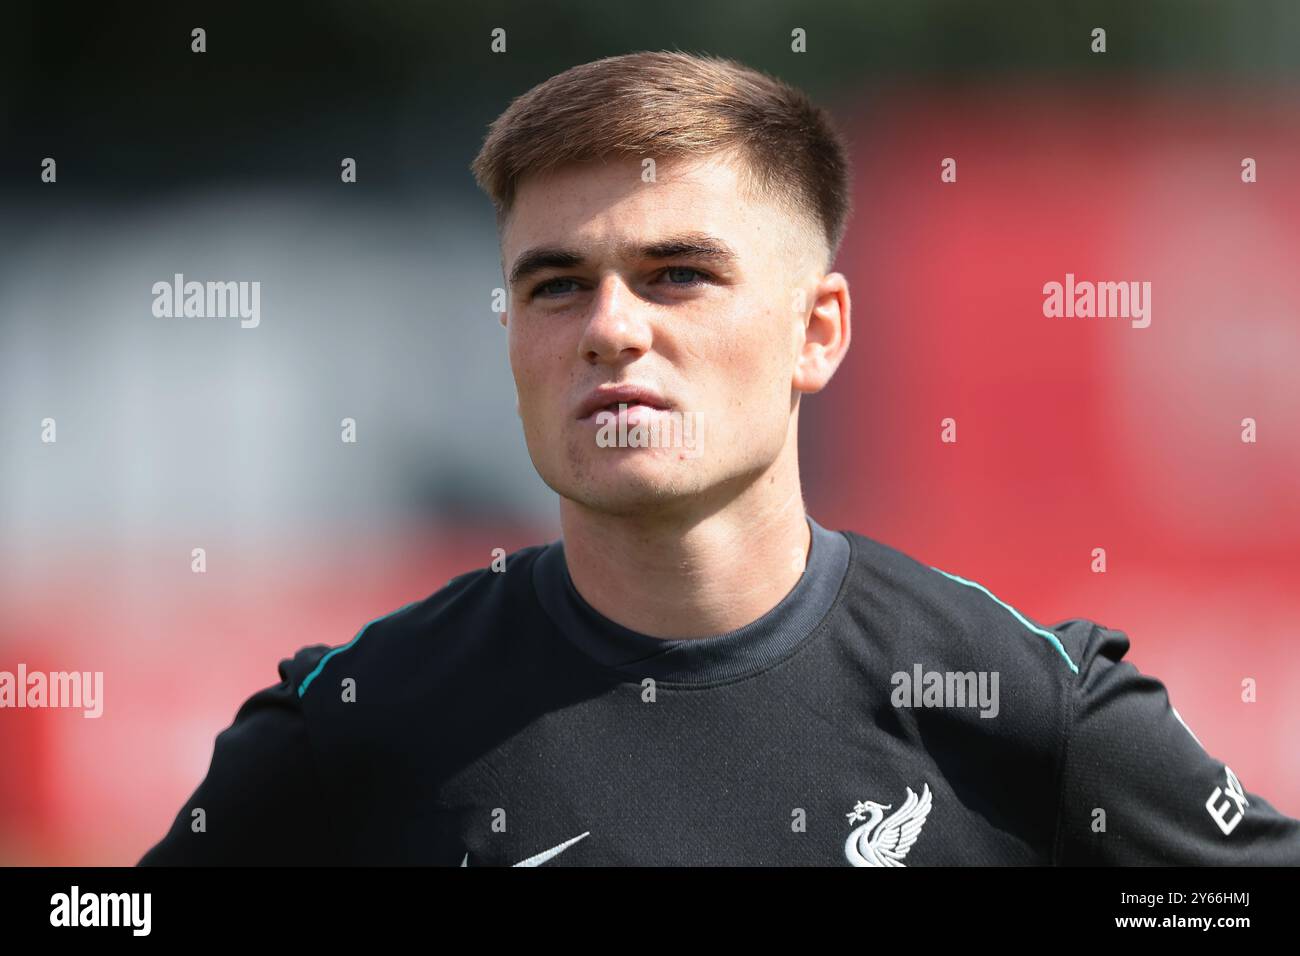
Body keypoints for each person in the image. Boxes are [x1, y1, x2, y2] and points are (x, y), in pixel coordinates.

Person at [139, 50, 1300, 866]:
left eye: (676, 273)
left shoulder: (1030, 703)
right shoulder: (355, 717)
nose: (610, 325)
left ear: (817, 331)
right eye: (555, 283)